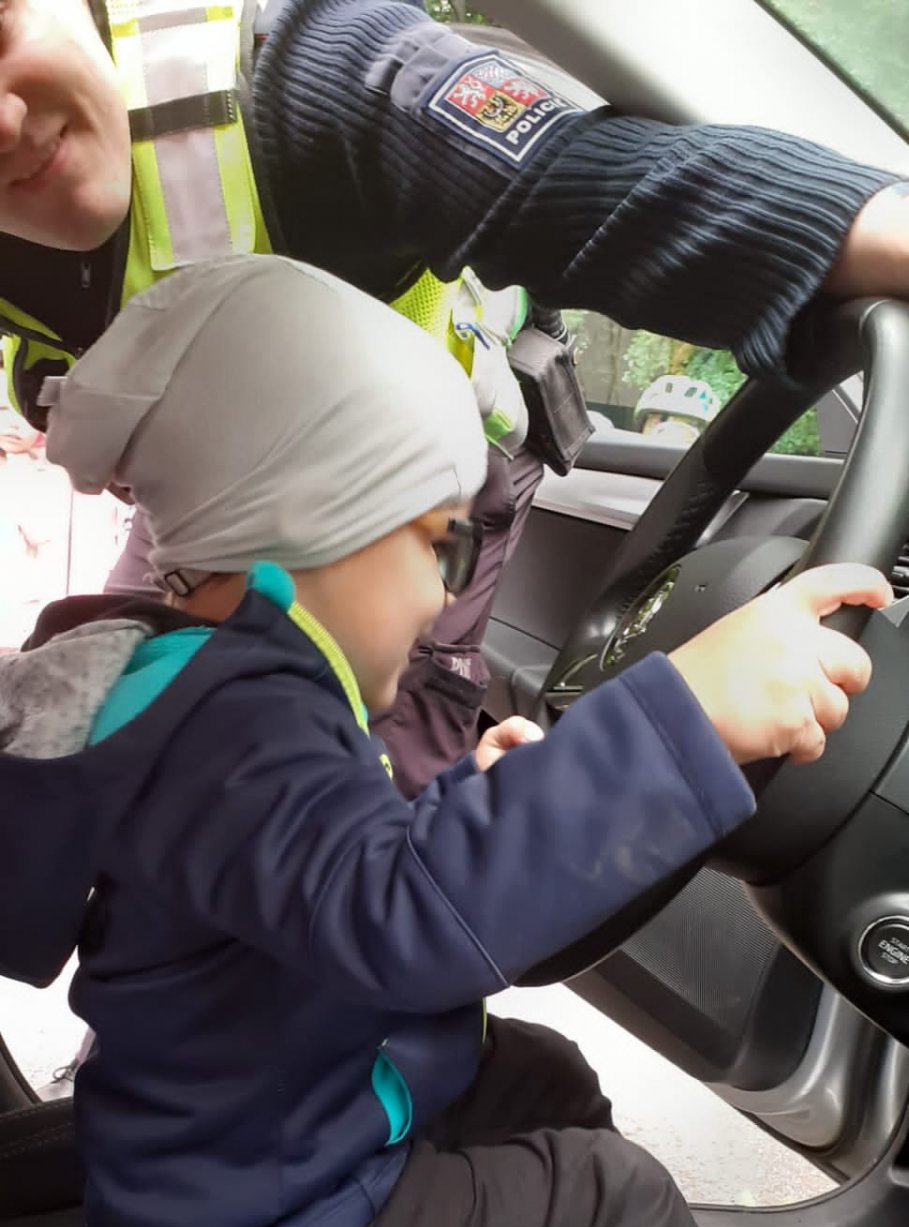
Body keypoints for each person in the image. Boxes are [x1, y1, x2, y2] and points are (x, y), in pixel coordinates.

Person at [0, 257, 889, 1227]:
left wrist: (475, 802)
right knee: (608, 1194)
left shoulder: (213, 689)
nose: (439, 596)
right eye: (432, 543)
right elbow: (403, 918)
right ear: (307, 519)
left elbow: (324, 870)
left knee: (538, 1073)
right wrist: (687, 720)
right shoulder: (240, 724)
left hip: (268, 1131)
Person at [0, 0, 907, 792]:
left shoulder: (314, 71)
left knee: (379, 724)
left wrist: (470, 808)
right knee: (164, 725)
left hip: (434, 477)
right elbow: (386, 901)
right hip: (213, 505)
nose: (2, 122)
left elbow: (611, 182)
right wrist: (675, 729)